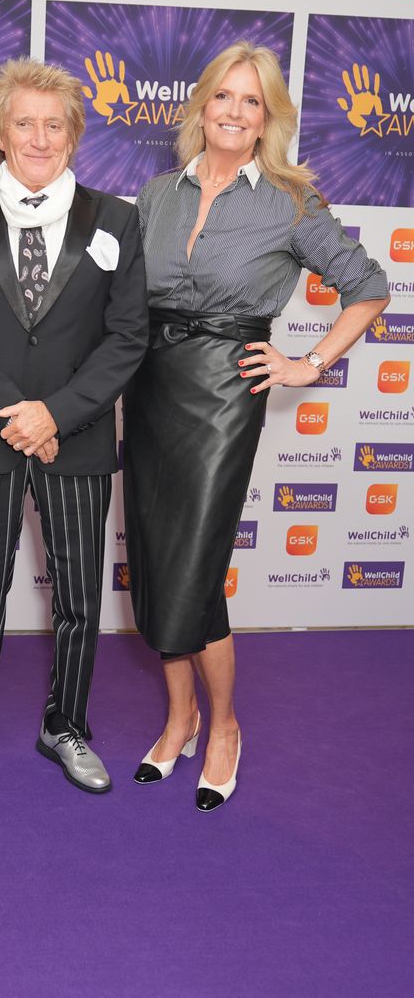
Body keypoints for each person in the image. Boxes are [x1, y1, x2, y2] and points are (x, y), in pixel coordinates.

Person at [124, 41, 389, 811]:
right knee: (154, 558)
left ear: (267, 118)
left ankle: (225, 727)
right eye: (223, 98)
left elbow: (367, 287)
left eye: (252, 102)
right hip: (146, 391)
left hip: (220, 394)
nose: (234, 113)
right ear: (200, 106)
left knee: (193, 569)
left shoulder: (288, 200)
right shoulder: (155, 194)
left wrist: (308, 363)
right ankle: (177, 722)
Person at [0, 57, 148, 807]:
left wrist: (58, 412)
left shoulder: (115, 219)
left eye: (54, 124)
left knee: (79, 596)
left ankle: (66, 724)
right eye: (24, 122)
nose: (39, 137)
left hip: (75, 437)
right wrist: (17, 414)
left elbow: (126, 337)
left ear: (74, 135)